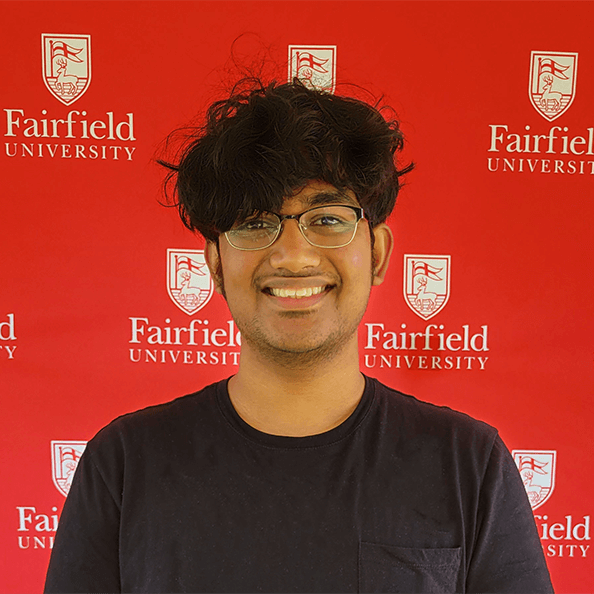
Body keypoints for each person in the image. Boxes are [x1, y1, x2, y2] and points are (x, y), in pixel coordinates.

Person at [45, 79, 553, 594]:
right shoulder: (126, 466)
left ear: (377, 254)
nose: (293, 256)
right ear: (215, 264)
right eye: (255, 223)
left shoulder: (468, 464)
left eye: (327, 219)